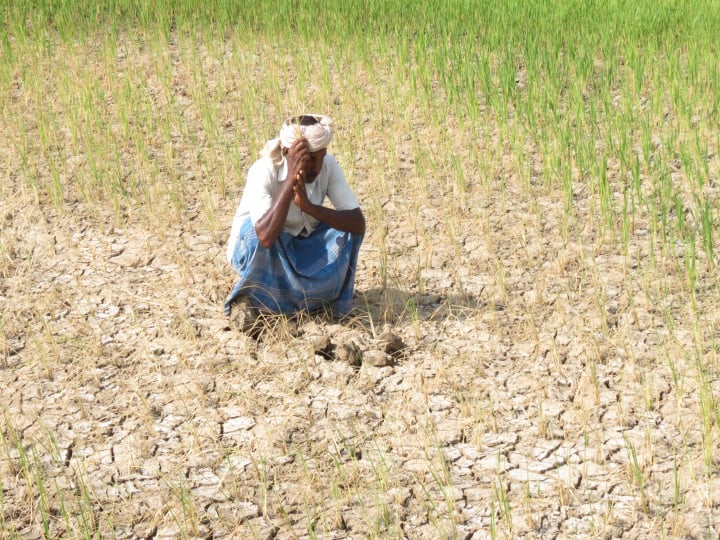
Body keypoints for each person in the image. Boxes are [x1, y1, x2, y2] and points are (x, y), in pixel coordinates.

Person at [224, 114, 365, 319]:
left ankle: (287, 299)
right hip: (266, 251)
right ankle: (294, 299)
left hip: (302, 247)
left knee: (347, 231)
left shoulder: (327, 165)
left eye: (321, 156)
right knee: (256, 234)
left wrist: (309, 207)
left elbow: (358, 223)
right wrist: (290, 179)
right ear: (286, 153)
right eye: (309, 160)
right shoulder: (263, 171)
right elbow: (264, 237)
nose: (317, 167)